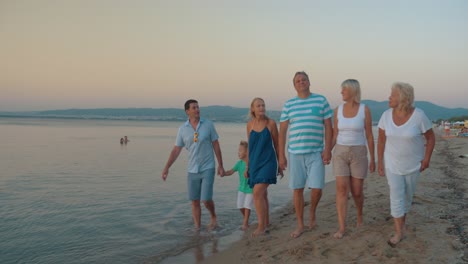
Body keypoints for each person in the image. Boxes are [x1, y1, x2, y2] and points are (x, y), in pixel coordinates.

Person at [377, 82, 435, 247]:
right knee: (396, 196)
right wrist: (380, 161)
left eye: (393, 95)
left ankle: (402, 225)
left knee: (407, 198)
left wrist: (426, 159)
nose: (389, 97)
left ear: (403, 98)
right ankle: (398, 232)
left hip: (413, 165)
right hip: (392, 164)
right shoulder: (386, 115)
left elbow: (430, 138)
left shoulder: (419, 116)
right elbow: (381, 140)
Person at [278, 71, 333, 238]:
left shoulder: (321, 100)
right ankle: (300, 224)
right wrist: (281, 155)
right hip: (295, 153)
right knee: (298, 189)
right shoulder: (289, 105)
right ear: (294, 85)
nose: (301, 82)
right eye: (297, 81)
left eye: (304, 80)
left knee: (317, 188)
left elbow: (328, 127)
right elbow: (282, 131)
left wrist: (328, 149)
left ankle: (312, 212)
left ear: (309, 82)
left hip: (316, 152)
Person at [161, 99, 225, 230]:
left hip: (208, 167)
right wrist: (167, 167)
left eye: (198, 107)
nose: (197, 110)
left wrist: (221, 165)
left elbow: (216, 145)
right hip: (192, 169)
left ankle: (213, 216)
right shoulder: (182, 129)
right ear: (187, 111)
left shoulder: (208, 125)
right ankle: (197, 229)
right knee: (194, 201)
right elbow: (176, 150)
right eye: (194, 108)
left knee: (205, 199)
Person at [331, 79, 375, 239]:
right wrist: (327, 151)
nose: (341, 92)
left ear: (353, 91)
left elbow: (369, 136)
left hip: (359, 153)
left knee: (357, 192)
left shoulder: (365, 110)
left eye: (344, 89)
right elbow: (335, 134)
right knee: (342, 189)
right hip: (340, 152)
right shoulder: (337, 110)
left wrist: (373, 159)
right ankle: (342, 227)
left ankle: (359, 216)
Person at [246, 97, 282, 236]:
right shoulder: (249, 125)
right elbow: (250, 147)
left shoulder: (271, 123)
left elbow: (277, 144)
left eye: (263, 105)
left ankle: (261, 227)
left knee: (257, 193)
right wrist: (247, 167)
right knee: (263, 194)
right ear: (253, 109)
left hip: (268, 162)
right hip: (254, 163)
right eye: (258, 106)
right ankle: (265, 223)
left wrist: (280, 163)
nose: (261, 108)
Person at [221, 140, 253, 231]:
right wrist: (224, 173)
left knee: (247, 205)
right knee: (240, 206)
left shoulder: (251, 163)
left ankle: (245, 223)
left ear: (247, 152)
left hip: (251, 188)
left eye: (240, 150)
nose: (238, 152)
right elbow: (231, 171)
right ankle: (246, 219)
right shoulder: (239, 163)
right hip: (241, 188)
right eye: (238, 150)